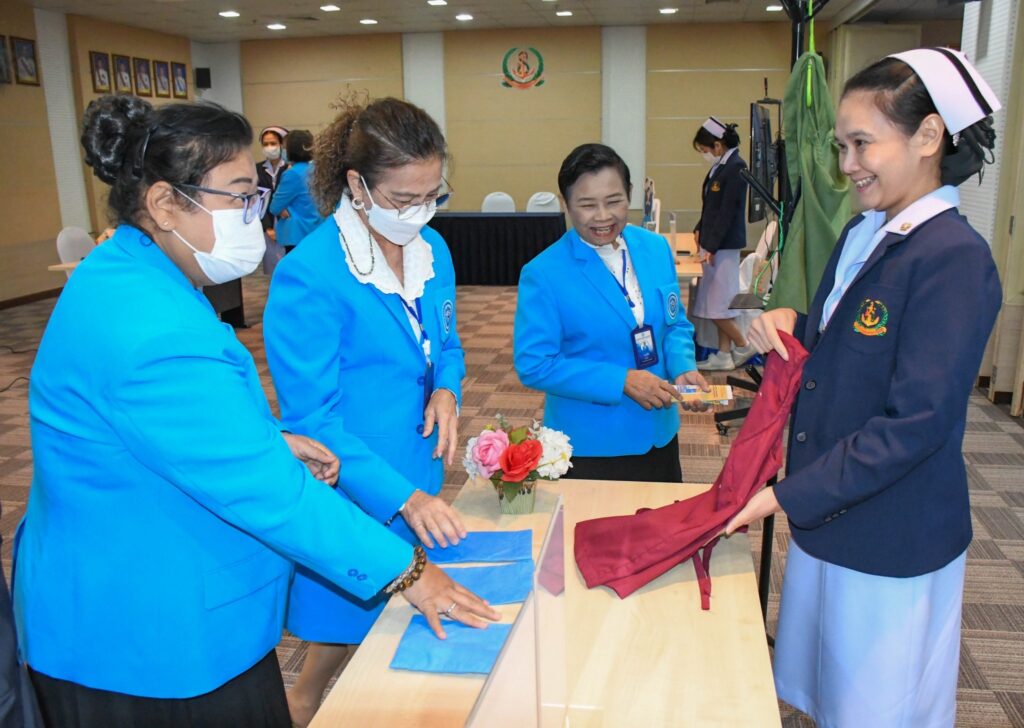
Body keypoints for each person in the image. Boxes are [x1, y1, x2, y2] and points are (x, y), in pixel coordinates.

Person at [15, 95, 499, 728]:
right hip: (147, 632)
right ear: (165, 204)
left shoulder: (130, 274)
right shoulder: (155, 328)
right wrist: (408, 572)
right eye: (242, 197)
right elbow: (267, 492)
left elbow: (172, 429)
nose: (258, 215)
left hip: (147, 600)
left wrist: (270, 438)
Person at [725, 48, 1002, 727]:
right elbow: (842, 342)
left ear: (929, 136)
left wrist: (785, 494)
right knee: (833, 694)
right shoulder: (863, 230)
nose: (847, 164)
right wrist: (793, 324)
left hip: (891, 530)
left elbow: (917, 421)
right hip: (835, 510)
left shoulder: (953, 258)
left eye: (861, 144)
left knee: (880, 705)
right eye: (841, 146)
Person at [263, 96, 465, 727]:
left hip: (417, 468)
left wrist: (447, 389)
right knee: (351, 627)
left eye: (432, 196)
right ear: (356, 184)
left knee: (393, 638)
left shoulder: (433, 250)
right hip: (356, 484)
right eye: (404, 199)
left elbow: (448, 344)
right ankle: (307, 704)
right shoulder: (311, 275)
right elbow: (313, 422)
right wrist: (404, 498)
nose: (419, 213)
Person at [514, 143, 709, 483]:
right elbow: (535, 364)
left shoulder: (654, 247)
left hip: (660, 433)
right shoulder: (544, 273)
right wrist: (621, 381)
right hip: (593, 445)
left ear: (629, 194)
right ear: (565, 204)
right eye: (587, 205)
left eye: (614, 201)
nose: (603, 216)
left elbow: (675, 323)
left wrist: (683, 367)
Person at [691, 117, 755, 371]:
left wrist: (711, 247)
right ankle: (724, 354)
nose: (704, 154)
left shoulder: (736, 167)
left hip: (724, 246)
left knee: (716, 307)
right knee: (720, 305)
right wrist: (700, 228)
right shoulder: (720, 167)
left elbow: (727, 212)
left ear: (717, 145)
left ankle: (743, 344)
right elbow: (711, 207)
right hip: (715, 243)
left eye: (704, 149)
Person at [268, 129, 323, 252]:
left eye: (284, 147)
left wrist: (283, 208)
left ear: (292, 150)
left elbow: (274, 207)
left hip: (297, 234)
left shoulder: (292, 174)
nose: (282, 150)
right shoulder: (317, 169)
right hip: (316, 231)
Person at [256, 125, 290, 239]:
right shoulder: (257, 169)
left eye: (273, 143)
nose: (269, 147)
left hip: (288, 222)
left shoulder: (289, 168)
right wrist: (267, 227)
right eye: (265, 144)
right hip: (266, 224)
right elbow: (257, 199)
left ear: (281, 144)